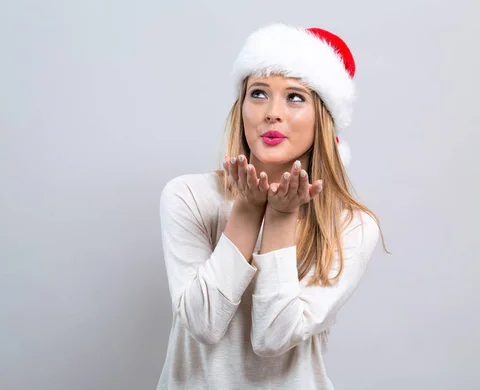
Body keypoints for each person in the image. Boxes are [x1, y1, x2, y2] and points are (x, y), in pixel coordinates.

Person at [156, 23, 386, 390]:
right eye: (258, 93)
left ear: (322, 118)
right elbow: (203, 324)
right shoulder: (188, 196)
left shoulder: (352, 225)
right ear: (242, 106)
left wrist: (281, 216)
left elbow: (272, 338)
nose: (272, 113)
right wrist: (248, 209)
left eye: (295, 97)